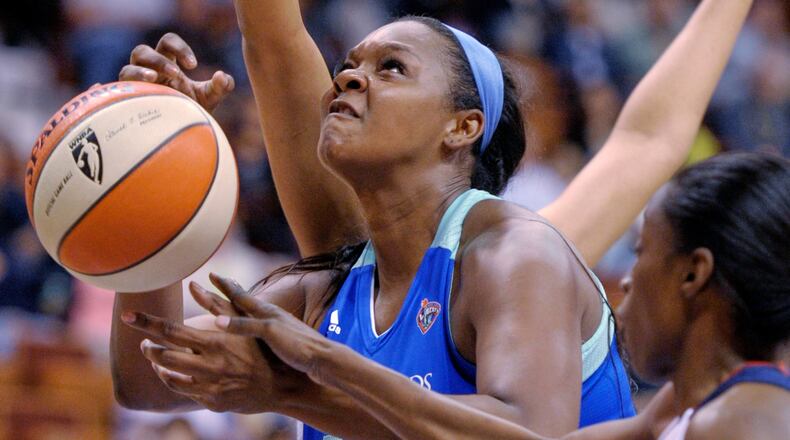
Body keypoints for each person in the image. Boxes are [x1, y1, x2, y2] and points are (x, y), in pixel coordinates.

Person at [113, 0, 752, 437]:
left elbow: (528, 436)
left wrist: (294, 386)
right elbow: (146, 377)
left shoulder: (515, 254)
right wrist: (146, 184)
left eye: (390, 68)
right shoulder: (331, 285)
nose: (347, 82)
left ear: (462, 127)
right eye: (347, 69)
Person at [213, 151, 790, 440]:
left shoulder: (747, 423)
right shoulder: (683, 410)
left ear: (694, 275)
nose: (627, 280)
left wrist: (319, 364)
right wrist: (303, 385)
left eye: (641, 254)